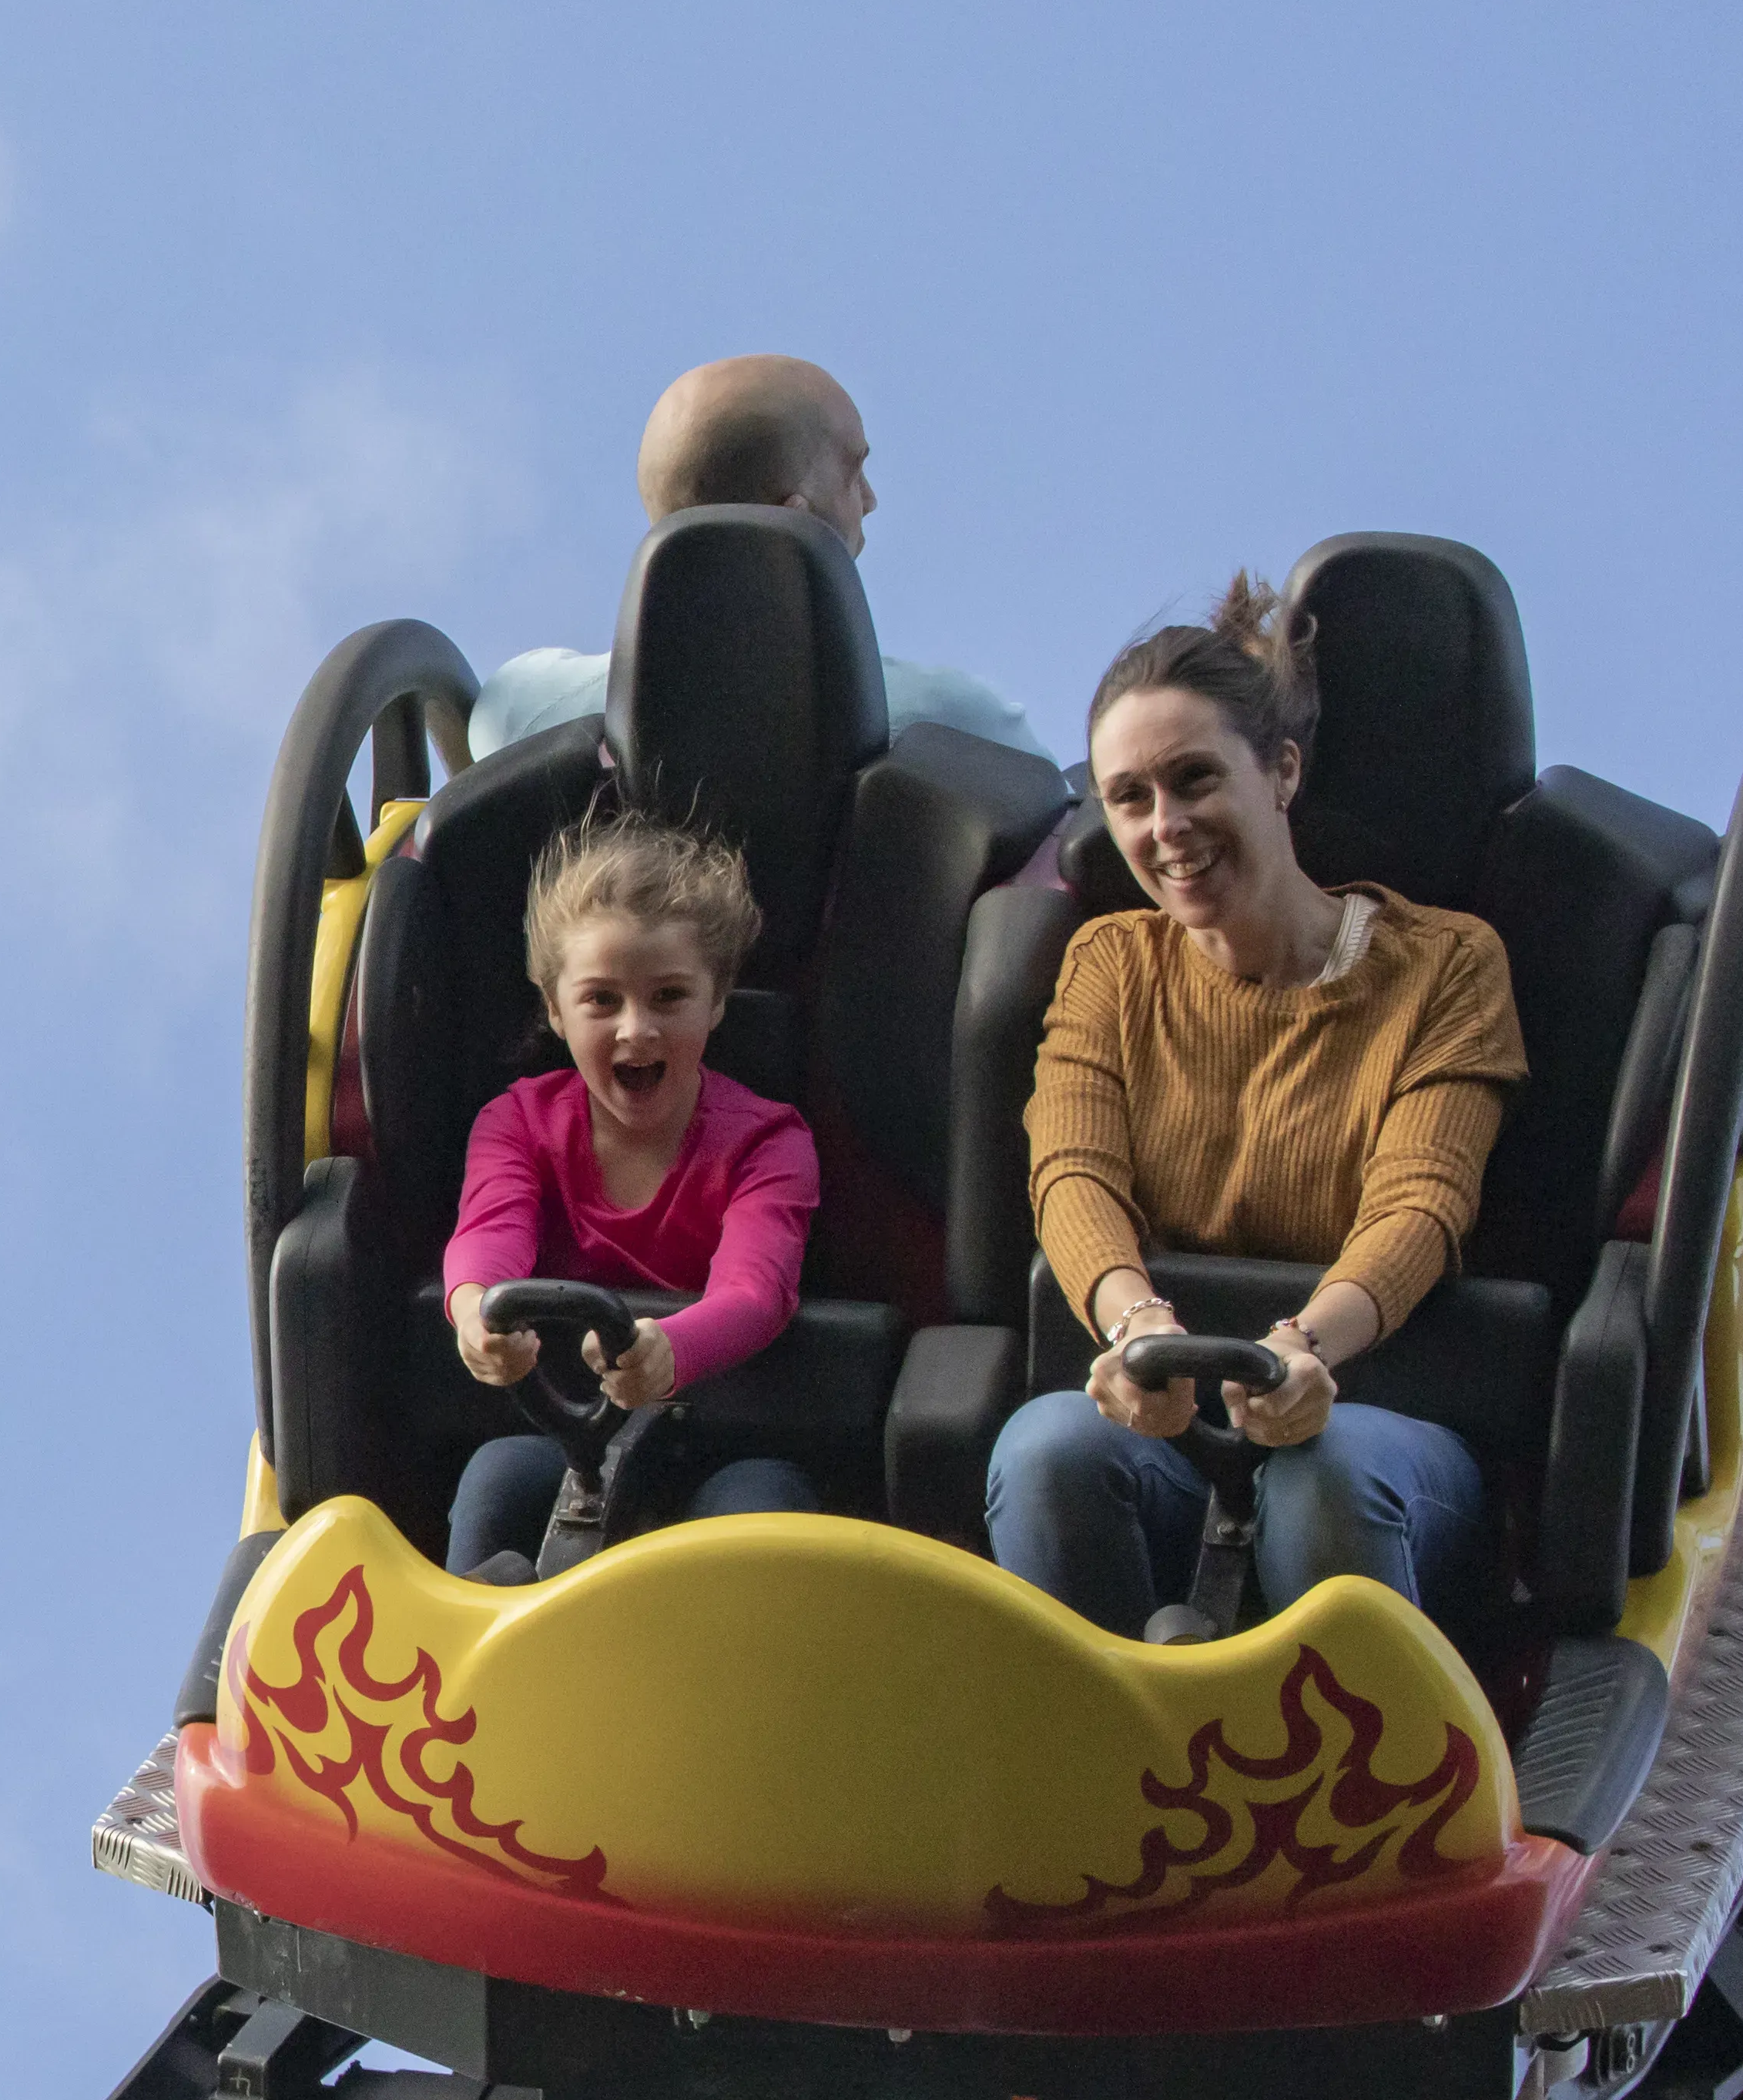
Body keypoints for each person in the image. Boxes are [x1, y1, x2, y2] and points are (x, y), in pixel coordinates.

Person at [984, 578, 1524, 1633]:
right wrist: (1137, 1325)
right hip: (1179, 1424)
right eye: (1130, 798)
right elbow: (1072, 1171)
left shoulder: (1447, 965)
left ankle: (1356, 1778)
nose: (1166, 827)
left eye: (1195, 781)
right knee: (1047, 1449)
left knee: (1325, 1473)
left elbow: (1421, 1202)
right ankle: (1090, 1760)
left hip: (1381, 1426)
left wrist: (1309, 1347)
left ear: (1280, 771)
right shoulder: (1111, 961)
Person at [438, 816, 823, 1574]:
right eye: (602, 1001)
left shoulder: (769, 1142)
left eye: (669, 996)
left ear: (717, 1002)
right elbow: (488, 1235)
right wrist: (474, 1311)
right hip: (559, 1437)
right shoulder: (517, 1122)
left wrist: (668, 1352)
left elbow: (757, 1290)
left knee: (764, 1508)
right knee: (499, 1480)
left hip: (726, 1440)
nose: (636, 1030)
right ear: (555, 1010)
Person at [467, 356, 1041, 761]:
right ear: (791, 525)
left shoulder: (521, 708)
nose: (870, 500)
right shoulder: (960, 723)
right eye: (853, 472)